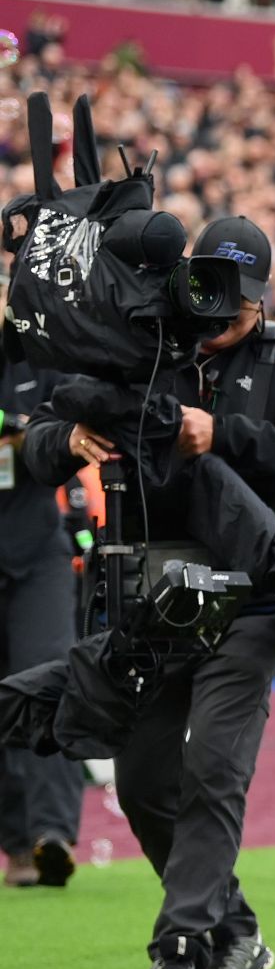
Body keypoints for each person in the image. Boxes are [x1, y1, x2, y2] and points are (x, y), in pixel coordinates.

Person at [24, 218, 275, 969]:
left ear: (263, 303)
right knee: (140, 782)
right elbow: (39, 437)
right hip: (153, 594)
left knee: (215, 771)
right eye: (210, 301)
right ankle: (236, 929)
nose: (218, 322)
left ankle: (180, 951)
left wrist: (223, 435)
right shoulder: (146, 346)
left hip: (253, 591)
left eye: (235, 312)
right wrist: (71, 436)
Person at [0, 345, 81, 890]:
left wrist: (25, 436)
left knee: (49, 677)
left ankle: (51, 833)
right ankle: (17, 845)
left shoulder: (37, 355)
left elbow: (69, 441)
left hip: (37, 553)